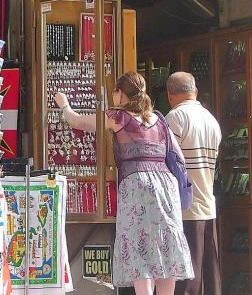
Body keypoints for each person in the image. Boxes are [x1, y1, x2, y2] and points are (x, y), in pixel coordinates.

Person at [54, 72, 193, 295]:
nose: (113, 95)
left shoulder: (118, 117)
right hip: (166, 184)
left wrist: (64, 105)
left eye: (115, 91)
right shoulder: (158, 119)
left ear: (121, 94)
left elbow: (77, 121)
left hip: (137, 182)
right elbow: (179, 158)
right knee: (166, 246)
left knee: (139, 246)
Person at [165, 72, 222, 295]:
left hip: (186, 207)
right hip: (208, 203)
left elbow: (169, 162)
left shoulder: (175, 118)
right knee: (210, 269)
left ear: (170, 95)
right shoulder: (211, 119)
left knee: (188, 271)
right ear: (195, 92)